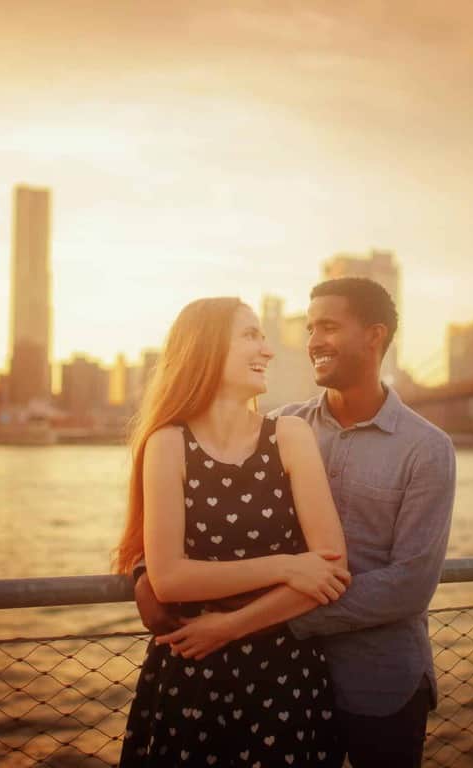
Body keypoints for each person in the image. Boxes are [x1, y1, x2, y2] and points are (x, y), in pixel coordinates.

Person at [140, 277, 457, 768]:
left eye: (328, 327)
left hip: (378, 680)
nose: (311, 342)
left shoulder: (427, 449)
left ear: (374, 337)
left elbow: (410, 586)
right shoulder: (284, 428)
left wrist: (252, 616)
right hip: (293, 680)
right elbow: (207, 523)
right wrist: (147, 574)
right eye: (310, 328)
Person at [115, 296, 352, 767]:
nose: (267, 350)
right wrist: (287, 566)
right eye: (250, 335)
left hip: (284, 680)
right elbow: (169, 579)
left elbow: (330, 570)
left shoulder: (289, 436)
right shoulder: (167, 443)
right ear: (205, 348)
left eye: (264, 337)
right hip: (190, 677)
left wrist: (227, 627)